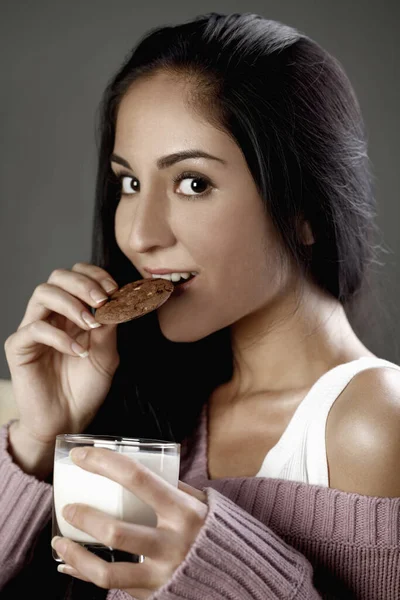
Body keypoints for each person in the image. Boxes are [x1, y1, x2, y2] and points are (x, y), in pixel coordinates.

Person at [1, 11, 400, 600]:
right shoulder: (162, 399)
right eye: (129, 184)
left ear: (304, 210)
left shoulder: (373, 426)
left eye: (192, 182)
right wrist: (40, 441)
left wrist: (232, 574)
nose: (138, 235)